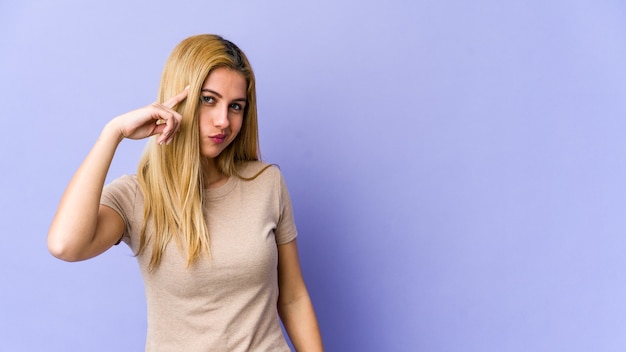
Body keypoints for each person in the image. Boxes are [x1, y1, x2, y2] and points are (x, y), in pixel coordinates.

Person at [48, 34, 323, 351]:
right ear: (178, 99)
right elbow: (65, 245)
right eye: (209, 99)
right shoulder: (137, 196)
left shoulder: (266, 182)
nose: (223, 121)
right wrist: (114, 133)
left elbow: (292, 296)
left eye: (236, 106)